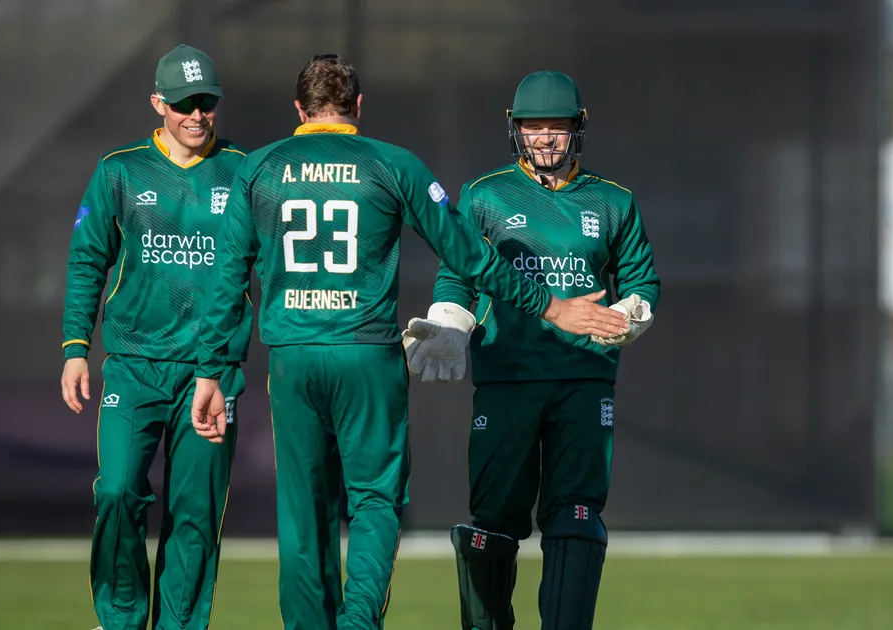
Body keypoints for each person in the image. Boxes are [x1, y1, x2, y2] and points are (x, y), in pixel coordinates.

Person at [189, 54, 630, 630]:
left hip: (292, 358)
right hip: (366, 354)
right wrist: (550, 305)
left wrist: (213, 372)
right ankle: (358, 623)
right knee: (374, 501)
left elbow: (226, 276)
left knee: (302, 512)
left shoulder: (260, 167)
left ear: (299, 110)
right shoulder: (393, 164)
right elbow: (471, 255)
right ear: (358, 107)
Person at [402, 69, 661, 630]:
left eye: (557, 127)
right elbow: (458, 274)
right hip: (508, 376)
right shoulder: (485, 194)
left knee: (576, 517)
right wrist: (449, 322)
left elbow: (642, 279)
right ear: (514, 130)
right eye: (533, 127)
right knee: (491, 520)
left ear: (578, 130)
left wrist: (627, 315)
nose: (545, 139)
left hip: (583, 376)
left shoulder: (613, 202)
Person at [59, 43, 251, 630]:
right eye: (185, 104)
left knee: (195, 513)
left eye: (208, 103)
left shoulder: (245, 169)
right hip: (135, 365)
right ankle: (119, 619)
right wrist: (75, 348)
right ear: (158, 103)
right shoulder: (119, 170)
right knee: (117, 492)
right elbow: (87, 260)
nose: (197, 115)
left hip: (209, 372)